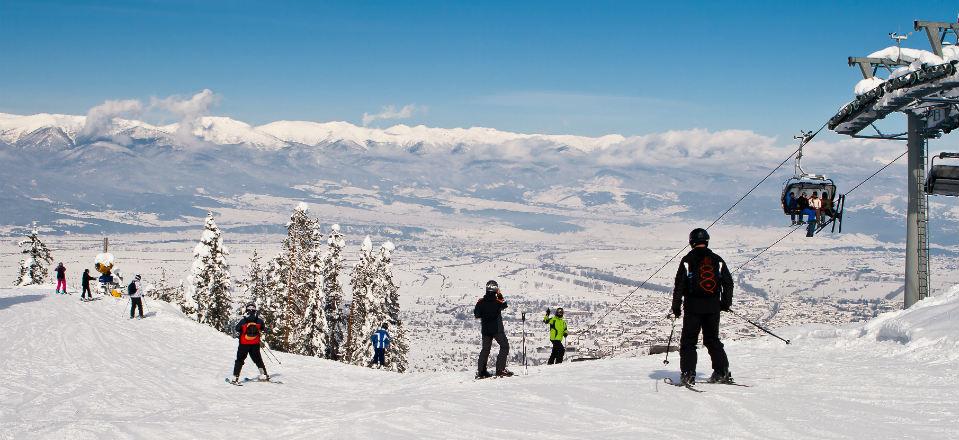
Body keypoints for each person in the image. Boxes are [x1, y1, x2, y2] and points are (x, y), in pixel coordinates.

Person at [671, 228, 734, 386]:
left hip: (693, 307)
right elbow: (728, 283)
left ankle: (688, 374)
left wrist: (676, 307)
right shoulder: (717, 260)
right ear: (706, 241)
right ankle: (722, 372)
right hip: (713, 307)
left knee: (689, 342)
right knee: (713, 340)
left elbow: (679, 285)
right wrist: (725, 303)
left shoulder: (687, 260)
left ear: (691, 242)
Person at [474, 280, 513, 378]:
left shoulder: (480, 302)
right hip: (497, 329)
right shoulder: (497, 302)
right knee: (504, 346)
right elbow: (504, 304)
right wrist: (499, 295)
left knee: (485, 350)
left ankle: (481, 372)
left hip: (486, 330)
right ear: (496, 289)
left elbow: (477, 315)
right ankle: (500, 369)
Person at [231, 302, 269, 383]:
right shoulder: (259, 320)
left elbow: (237, 329)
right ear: (255, 310)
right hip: (255, 343)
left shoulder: (243, 320)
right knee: (258, 359)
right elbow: (264, 329)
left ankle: (235, 378)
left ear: (246, 309)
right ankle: (264, 375)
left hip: (243, 344)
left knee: (240, 360)